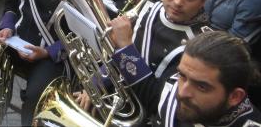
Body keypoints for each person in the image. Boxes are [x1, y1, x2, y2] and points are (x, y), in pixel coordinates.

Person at [111, 30, 261, 126]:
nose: (182, 92)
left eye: (202, 87)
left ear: (235, 96)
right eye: (182, 75)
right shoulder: (188, 92)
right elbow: (154, 98)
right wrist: (125, 49)